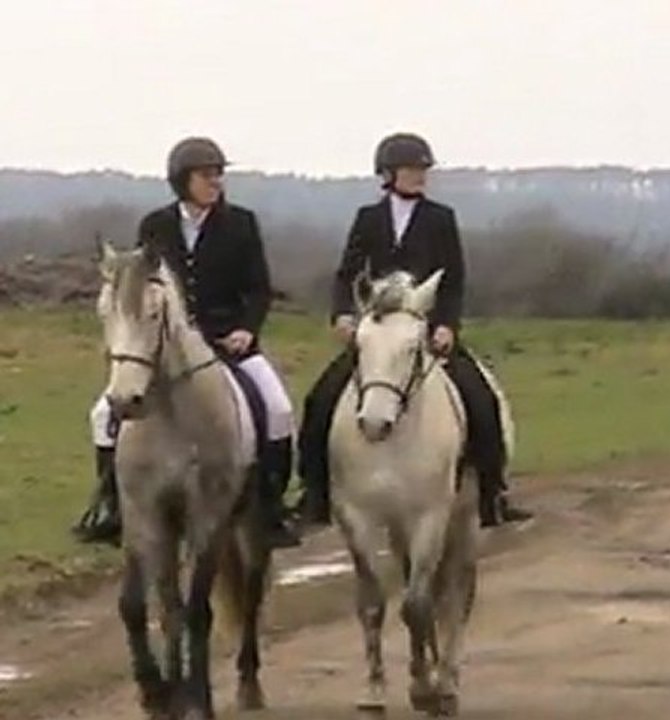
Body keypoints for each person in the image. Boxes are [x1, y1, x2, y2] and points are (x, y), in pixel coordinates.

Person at [72, 137, 301, 549]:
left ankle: (269, 506)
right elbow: (140, 289)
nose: (215, 182)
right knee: (101, 415)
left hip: (228, 340)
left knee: (278, 409)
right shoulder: (155, 225)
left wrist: (247, 328)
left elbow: (258, 288)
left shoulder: (241, 223)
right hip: (168, 349)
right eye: (206, 175)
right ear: (182, 181)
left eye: (218, 174)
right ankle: (112, 506)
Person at [296, 132, 534, 528]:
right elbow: (346, 274)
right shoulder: (367, 219)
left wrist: (446, 325)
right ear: (388, 174)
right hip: (378, 332)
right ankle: (315, 493)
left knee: (480, 399)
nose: (420, 176)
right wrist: (341, 314)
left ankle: (493, 492)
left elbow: (454, 279)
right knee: (320, 400)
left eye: (423, 169)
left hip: (425, 330)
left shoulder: (441, 218)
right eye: (411, 169)